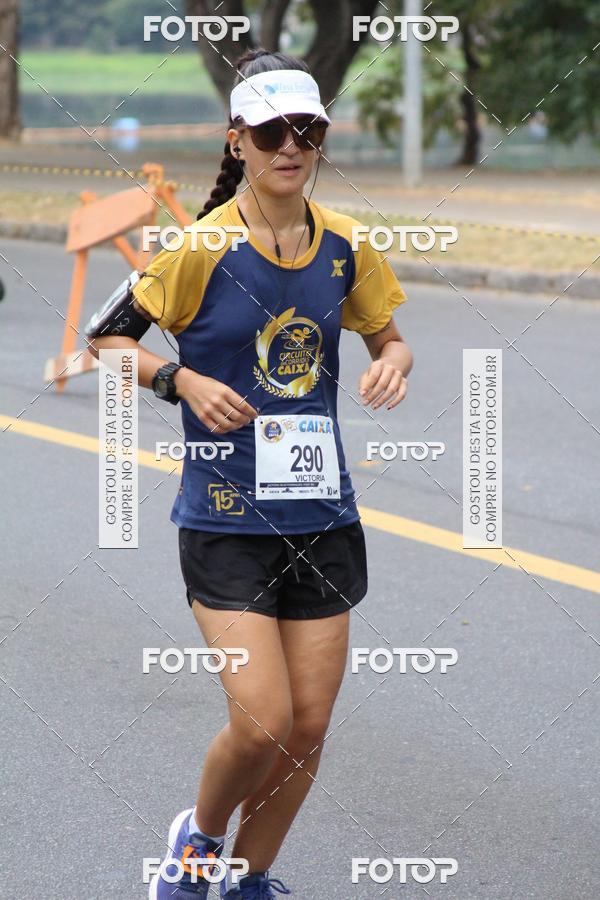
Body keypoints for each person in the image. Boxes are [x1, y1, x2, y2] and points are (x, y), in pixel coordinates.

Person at [89, 48, 413, 899]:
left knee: (306, 729)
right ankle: (195, 847)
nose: (289, 145)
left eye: (306, 129)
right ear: (237, 141)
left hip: (322, 517)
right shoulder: (197, 249)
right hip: (227, 520)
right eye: (270, 130)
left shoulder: (347, 247)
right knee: (263, 719)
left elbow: (388, 335)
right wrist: (179, 377)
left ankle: (248, 879)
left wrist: (394, 362)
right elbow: (106, 342)